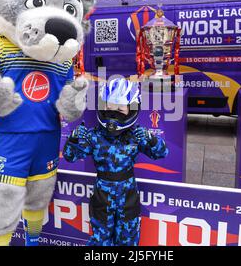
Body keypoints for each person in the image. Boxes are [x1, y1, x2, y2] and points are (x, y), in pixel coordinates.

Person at [63, 78, 168, 246]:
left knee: (128, 240)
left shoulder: (136, 135)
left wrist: (150, 139)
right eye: (109, 108)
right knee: (100, 241)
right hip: (102, 197)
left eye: (120, 109)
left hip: (128, 197)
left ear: (132, 110)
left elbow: (162, 153)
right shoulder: (94, 136)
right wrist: (74, 139)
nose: (113, 113)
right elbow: (70, 156)